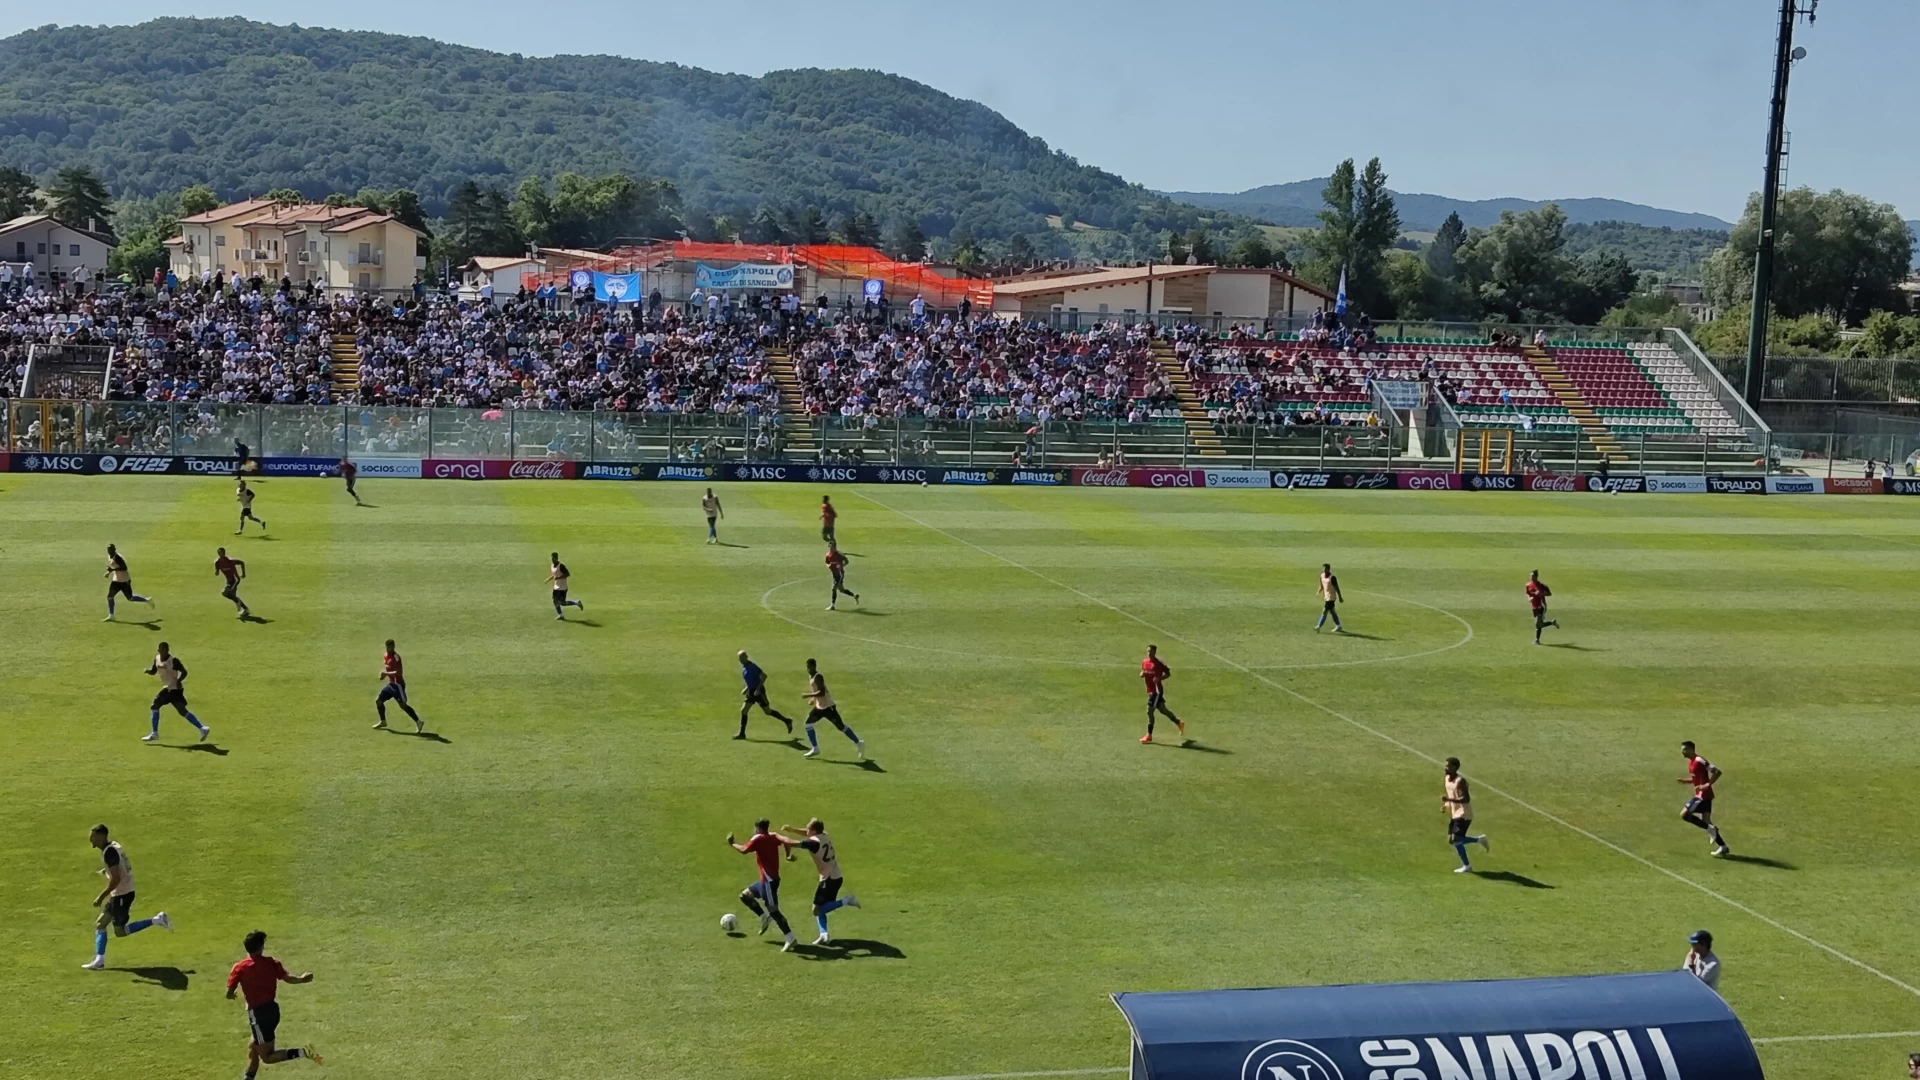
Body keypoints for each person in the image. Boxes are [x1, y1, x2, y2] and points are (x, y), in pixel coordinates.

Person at [226, 930, 322, 1075]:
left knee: (267, 1057)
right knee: (253, 1046)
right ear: (261, 947)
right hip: (272, 1011)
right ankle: (249, 1077)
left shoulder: (239, 967)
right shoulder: (272, 963)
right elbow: (288, 978)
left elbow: (229, 993)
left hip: (258, 1016)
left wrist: (232, 994)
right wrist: (302, 979)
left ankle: (304, 1052)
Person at [81, 824, 172, 970]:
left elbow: (116, 879)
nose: (90, 840)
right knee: (100, 924)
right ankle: (99, 961)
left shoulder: (109, 853)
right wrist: (108, 871)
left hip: (122, 895)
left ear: (101, 836)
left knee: (120, 932)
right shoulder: (113, 846)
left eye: (93, 837)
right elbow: (119, 868)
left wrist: (100, 897)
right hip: (120, 893)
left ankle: (157, 920)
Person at [780, 818, 860, 945]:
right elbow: (806, 833)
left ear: (814, 830)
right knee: (822, 907)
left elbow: (793, 843)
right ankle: (824, 935)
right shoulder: (824, 835)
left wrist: (779, 838)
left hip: (828, 879)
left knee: (816, 910)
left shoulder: (814, 843)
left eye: (809, 829)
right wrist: (792, 829)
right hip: (836, 876)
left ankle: (847, 900)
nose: (806, 831)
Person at [728, 819, 799, 952]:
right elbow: (786, 842)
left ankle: (790, 938)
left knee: (774, 911)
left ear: (758, 829)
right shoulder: (772, 836)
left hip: (768, 883)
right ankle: (763, 917)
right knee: (745, 895)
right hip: (765, 881)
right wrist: (788, 855)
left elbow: (743, 850)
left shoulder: (758, 839)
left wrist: (732, 843)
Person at [143, 642, 210, 743]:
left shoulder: (173, 661)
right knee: (182, 711)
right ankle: (202, 728)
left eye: (165, 650)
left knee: (155, 705)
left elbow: (184, 672)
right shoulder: (157, 659)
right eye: (162, 650)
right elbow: (154, 670)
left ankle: (154, 734)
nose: (164, 652)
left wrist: (178, 681)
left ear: (168, 650)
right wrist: (148, 671)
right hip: (169, 688)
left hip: (173, 689)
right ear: (159, 650)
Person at [801, 658, 865, 760]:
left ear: (814, 666)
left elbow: (822, 692)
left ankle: (858, 743)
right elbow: (817, 690)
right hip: (819, 707)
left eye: (810, 667)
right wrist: (813, 699)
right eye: (807, 667)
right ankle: (815, 748)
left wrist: (808, 695)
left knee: (841, 726)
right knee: (808, 724)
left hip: (828, 707)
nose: (808, 669)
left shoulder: (818, 677)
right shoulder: (811, 676)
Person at [1679, 740, 1730, 856]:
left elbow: (1717, 772)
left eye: (1684, 749)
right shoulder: (1691, 762)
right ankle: (1723, 846)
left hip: (1703, 795)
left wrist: (1708, 784)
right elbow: (1697, 778)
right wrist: (1686, 781)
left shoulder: (1699, 761)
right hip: (1702, 794)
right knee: (1706, 820)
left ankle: (1711, 829)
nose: (1682, 752)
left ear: (1691, 749)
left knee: (1685, 815)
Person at [1442, 757, 1490, 873]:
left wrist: (1449, 799)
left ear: (1455, 767)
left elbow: (1466, 799)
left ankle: (1467, 866)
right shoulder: (1447, 778)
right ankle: (1479, 840)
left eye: (1448, 766)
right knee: (1451, 840)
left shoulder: (1460, 781)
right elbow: (1451, 794)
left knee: (1457, 839)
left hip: (1464, 814)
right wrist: (1446, 804)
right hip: (1455, 813)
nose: (1445, 767)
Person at [734, 650, 793, 738]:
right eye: (740, 658)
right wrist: (746, 688)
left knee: (767, 711)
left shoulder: (752, 666)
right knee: (744, 710)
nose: (741, 659)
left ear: (746, 657)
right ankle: (742, 733)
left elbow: (764, 676)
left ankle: (787, 721)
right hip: (751, 691)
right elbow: (751, 679)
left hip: (759, 692)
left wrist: (758, 689)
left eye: (742, 657)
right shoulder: (744, 668)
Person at [1138, 644, 1185, 745]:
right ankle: (1178, 723)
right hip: (1150, 690)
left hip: (1156, 691)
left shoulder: (1159, 663)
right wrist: (1142, 673)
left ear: (1155, 652)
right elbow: (1144, 671)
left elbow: (1168, 673)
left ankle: (1149, 735)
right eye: (1148, 651)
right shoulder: (1145, 662)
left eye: (1151, 651)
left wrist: (1160, 678)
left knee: (1149, 711)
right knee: (1163, 710)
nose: (1149, 653)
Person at [374, 638, 424, 732]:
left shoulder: (396, 657)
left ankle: (418, 722)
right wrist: (384, 676)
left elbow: (399, 672)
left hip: (398, 686)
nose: (392, 648)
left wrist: (386, 674)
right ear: (387, 647)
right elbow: (388, 668)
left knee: (403, 705)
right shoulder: (385, 656)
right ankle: (383, 721)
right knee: (379, 701)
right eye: (390, 647)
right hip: (391, 685)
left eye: (393, 646)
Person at [102, 543, 155, 621]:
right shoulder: (110, 556)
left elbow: (124, 568)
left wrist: (112, 570)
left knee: (130, 598)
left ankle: (147, 600)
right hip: (116, 580)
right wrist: (109, 571)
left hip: (124, 581)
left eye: (111, 550)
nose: (109, 551)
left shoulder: (118, 558)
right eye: (108, 550)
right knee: (110, 597)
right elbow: (112, 566)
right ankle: (111, 615)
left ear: (114, 550)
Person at [214, 547, 251, 618]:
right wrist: (216, 572)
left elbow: (242, 562)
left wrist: (243, 573)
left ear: (224, 553)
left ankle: (240, 607)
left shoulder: (230, 561)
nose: (221, 554)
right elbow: (217, 571)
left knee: (226, 592)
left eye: (222, 553)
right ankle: (245, 609)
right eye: (219, 553)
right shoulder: (217, 562)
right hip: (229, 581)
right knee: (232, 595)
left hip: (235, 580)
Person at [547, 552, 585, 620]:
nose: (552, 559)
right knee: (555, 601)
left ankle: (576, 603)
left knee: (562, 603)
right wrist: (550, 578)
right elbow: (555, 574)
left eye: (554, 558)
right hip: (556, 587)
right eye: (552, 558)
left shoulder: (561, 566)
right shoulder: (552, 566)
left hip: (562, 588)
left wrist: (558, 578)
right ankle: (560, 615)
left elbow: (567, 574)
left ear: (557, 558)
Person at [1526, 570, 1557, 645]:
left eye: (1533, 576)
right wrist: (1529, 599)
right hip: (1534, 607)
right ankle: (1552, 623)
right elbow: (1528, 594)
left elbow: (1549, 593)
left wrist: (1542, 593)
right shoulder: (1528, 585)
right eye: (1530, 576)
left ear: (1536, 577)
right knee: (1539, 624)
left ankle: (1537, 640)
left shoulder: (1542, 586)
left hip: (1542, 606)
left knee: (1537, 623)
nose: (1531, 578)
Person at [825, 544, 859, 611]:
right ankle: (854, 596)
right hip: (834, 574)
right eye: (829, 548)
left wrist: (841, 566)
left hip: (840, 574)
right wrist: (828, 565)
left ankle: (832, 605)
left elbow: (847, 561)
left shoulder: (839, 554)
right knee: (841, 590)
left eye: (832, 548)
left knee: (834, 588)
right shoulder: (828, 554)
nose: (830, 549)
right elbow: (826, 562)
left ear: (835, 548)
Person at [1314, 563, 1345, 633]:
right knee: (1332, 612)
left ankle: (1319, 626)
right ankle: (1338, 625)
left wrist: (1340, 597)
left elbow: (1337, 588)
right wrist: (1318, 591)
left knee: (1325, 611)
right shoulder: (1322, 576)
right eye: (1323, 569)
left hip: (1331, 598)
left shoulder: (1332, 578)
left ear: (1328, 569)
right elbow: (1322, 585)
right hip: (1326, 597)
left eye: (1325, 569)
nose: (1324, 570)